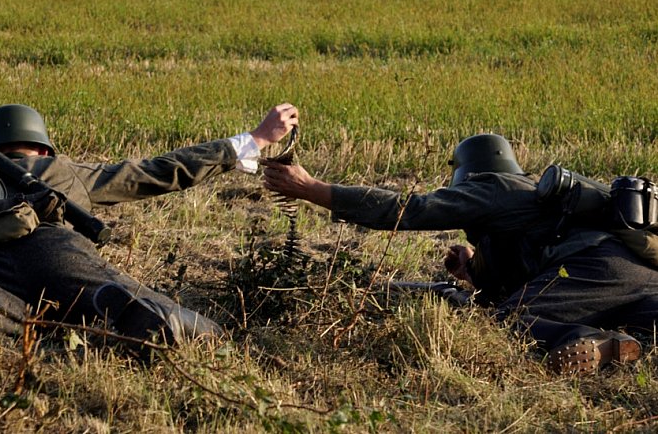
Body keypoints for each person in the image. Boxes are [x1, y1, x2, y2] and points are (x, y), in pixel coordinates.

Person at [0, 102, 299, 390]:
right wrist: (255, 140)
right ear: (43, 149)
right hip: (55, 249)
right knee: (146, 308)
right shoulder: (57, 170)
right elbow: (159, 171)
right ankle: (140, 315)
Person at [262, 133, 658, 375]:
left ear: (467, 174)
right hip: (636, 272)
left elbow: (409, 210)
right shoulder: (531, 197)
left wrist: (313, 189)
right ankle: (630, 338)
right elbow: (528, 272)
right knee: (648, 324)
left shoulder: (493, 187)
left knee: (509, 321)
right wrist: (474, 270)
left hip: (589, 265)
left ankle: (595, 343)